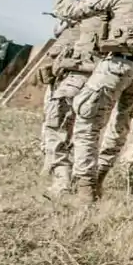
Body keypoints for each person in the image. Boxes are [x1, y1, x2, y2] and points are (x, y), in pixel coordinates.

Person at [45, 0, 133, 203]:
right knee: (120, 127)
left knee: (88, 124)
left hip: (117, 66)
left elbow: (72, 10)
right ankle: (100, 176)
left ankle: (85, 188)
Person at [38, 12, 107, 198]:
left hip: (80, 78)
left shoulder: (99, 23)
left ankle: (63, 182)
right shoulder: (76, 27)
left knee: (64, 126)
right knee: (59, 126)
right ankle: (60, 174)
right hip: (64, 78)